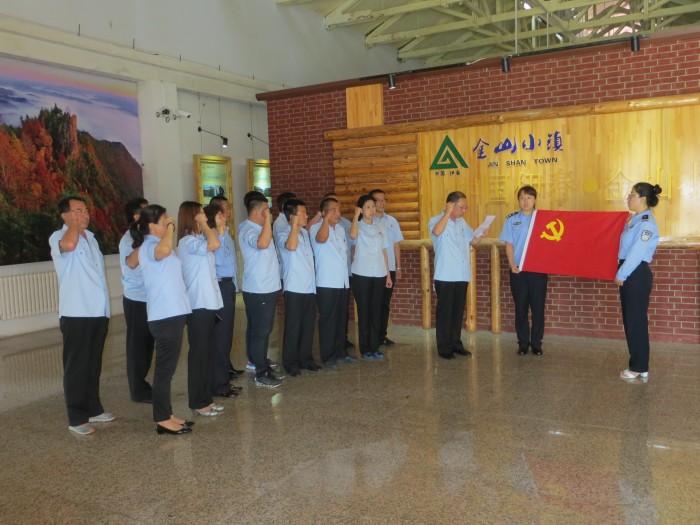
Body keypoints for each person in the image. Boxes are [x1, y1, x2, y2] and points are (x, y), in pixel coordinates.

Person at [49, 196, 113, 435]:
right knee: (77, 366)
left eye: (85, 210)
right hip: (77, 311)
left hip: (99, 309)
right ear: (64, 215)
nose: (84, 214)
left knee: (93, 363)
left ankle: (93, 408)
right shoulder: (58, 236)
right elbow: (68, 246)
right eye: (77, 211)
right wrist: (74, 225)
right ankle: (76, 417)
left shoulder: (92, 239)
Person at [129, 204, 193, 435]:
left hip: (173, 312)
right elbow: (163, 251)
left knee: (168, 369)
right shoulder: (149, 246)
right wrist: (172, 227)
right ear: (152, 225)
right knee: (165, 370)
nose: (168, 221)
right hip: (165, 315)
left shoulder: (157, 244)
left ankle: (167, 413)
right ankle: (161, 419)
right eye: (165, 219)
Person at [176, 201, 223, 417]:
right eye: (201, 213)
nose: (204, 216)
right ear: (192, 216)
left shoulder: (198, 240)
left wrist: (207, 227)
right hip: (198, 304)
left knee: (207, 352)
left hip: (208, 302)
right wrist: (204, 224)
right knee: (199, 354)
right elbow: (214, 243)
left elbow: (215, 241)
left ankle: (206, 398)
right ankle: (198, 400)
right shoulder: (187, 242)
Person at [428, 191, 487, 360]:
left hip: (461, 274)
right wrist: (447, 213)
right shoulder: (436, 220)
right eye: (461, 207)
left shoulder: (462, 223)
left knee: (457, 312)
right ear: (451, 205)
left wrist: (481, 234)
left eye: (465, 208)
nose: (464, 211)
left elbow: (473, 242)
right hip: (445, 274)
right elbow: (437, 232)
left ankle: (456, 344)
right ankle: (444, 347)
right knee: (445, 313)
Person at [615, 183, 662, 380]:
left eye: (632, 195)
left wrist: (622, 274)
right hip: (631, 272)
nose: (628, 198)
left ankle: (638, 366)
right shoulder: (635, 220)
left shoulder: (646, 224)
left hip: (635, 273)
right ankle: (640, 365)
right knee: (633, 320)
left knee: (635, 321)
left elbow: (636, 254)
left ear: (642, 198)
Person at [238, 194, 283, 388]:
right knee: (261, 331)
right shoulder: (247, 229)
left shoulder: (259, 228)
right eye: (266, 210)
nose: (269, 213)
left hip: (267, 287)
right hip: (259, 288)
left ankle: (259, 362)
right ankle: (261, 373)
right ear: (257, 211)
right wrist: (267, 222)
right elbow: (262, 244)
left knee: (261, 329)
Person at [499, 185, 548, 356]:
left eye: (529, 197)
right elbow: (509, 245)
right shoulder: (511, 220)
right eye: (522, 198)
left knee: (538, 308)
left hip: (538, 271)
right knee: (520, 308)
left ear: (535, 200)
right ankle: (523, 343)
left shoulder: (543, 220)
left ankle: (536, 343)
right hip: (518, 270)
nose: (525, 201)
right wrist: (511, 264)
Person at [119, 197, 155, 403]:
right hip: (136, 299)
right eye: (146, 211)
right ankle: (138, 390)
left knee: (148, 344)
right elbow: (132, 265)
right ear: (136, 217)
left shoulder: (145, 237)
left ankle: (142, 385)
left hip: (149, 297)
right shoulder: (128, 240)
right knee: (138, 346)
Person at [205, 199, 242, 397]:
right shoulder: (212, 237)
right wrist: (218, 234)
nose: (225, 217)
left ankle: (224, 380)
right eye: (220, 215)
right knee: (220, 336)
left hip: (227, 285)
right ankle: (219, 385)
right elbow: (218, 262)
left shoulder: (224, 233)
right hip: (219, 286)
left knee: (226, 336)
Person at [277, 199, 317, 376]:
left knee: (308, 325)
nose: (307, 216)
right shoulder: (283, 232)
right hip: (294, 286)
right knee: (293, 326)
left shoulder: (305, 234)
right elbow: (291, 247)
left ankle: (305, 359)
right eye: (303, 213)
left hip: (309, 286)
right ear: (292, 216)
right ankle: (290, 362)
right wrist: (294, 226)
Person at [350, 194, 392, 360]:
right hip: (362, 274)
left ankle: (375, 346)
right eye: (368, 207)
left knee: (376, 311)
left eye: (373, 206)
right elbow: (353, 236)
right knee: (364, 311)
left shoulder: (380, 226)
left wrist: (388, 275)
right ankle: (365, 348)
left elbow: (384, 251)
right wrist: (355, 216)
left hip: (379, 273)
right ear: (361, 209)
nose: (372, 210)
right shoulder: (357, 226)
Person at [310, 197, 350, 369]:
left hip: (342, 281)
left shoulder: (340, 229)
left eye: (339, 209)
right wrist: (325, 220)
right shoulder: (315, 228)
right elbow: (321, 239)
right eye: (333, 210)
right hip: (326, 282)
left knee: (341, 319)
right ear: (324, 212)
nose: (338, 213)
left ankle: (341, 352)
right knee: (328, 320)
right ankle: (328, 356)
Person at [369, 188, 404, 347]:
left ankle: (382, 335)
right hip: (374, 269)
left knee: (384, 304)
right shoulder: (368, 221)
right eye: (378, 200)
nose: (381, 203)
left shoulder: (392, 221)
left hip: (390, 268)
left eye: (384, 199)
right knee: (374, 304)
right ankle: (372, 336)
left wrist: (398, 266)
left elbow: (396, 244)